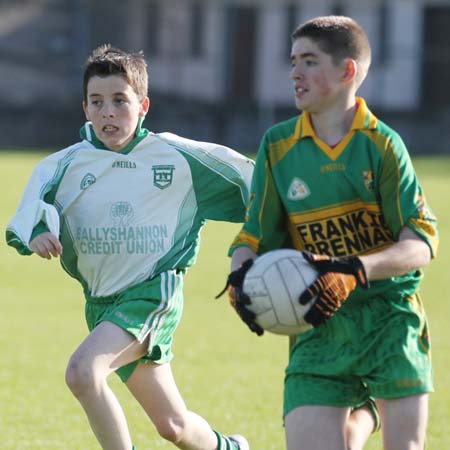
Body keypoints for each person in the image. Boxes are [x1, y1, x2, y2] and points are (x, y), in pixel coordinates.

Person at [6, 44, 254, 450]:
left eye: (120, 100)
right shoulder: (62, 165)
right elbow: (30, 210)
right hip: (103, 304)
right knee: (172, 425)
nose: (108, 112)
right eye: (97, 102)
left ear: (143, 106)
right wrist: (36, 233)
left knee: (82, 373)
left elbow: (254, 184)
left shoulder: (178, 157)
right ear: (84, 108)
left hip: (153, 294)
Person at [222, 15, 438, 450]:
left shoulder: (382, 145)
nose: (294, 73)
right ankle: (360, 417)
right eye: (293, 61)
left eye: (309, 61)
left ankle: (363, 415)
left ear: (347, 72)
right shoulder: (278, 145)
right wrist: (239, 277)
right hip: (317, 320)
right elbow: (253, 236)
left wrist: (353, 269)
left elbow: (421, 244)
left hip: (388, 317)